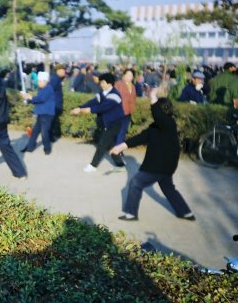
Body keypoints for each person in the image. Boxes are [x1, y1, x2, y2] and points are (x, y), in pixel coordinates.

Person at [110, 91, 195, 222]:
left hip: (157, 167)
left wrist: (153, 97)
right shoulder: (155, 127)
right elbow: (140, 138)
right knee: (168, 188)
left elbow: (158, 114)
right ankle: (185, 212)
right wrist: (121, 146)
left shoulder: (169, 124)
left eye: (156, 109)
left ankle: (131, 214)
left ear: (163, 110)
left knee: (135, 183)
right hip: (166, 167)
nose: (153, 112)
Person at [70, 72, 126, 173]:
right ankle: (120, 164)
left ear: (110, 83)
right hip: (107, 123)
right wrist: (80, 107)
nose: (101, 84)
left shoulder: (115, 95)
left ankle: (93, 165)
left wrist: (84, 110)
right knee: (110, 145)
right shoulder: (103, 93)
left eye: (103, 82)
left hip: (114, 123)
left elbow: (102, 108)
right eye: (101, 82)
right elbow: (93, 102)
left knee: (102, 144)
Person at [20, 71, 55, 155]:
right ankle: (30, 147)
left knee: (44, 132)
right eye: (38, 81)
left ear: (46, 81)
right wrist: (28, 100)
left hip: (47, 114)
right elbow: (37, 100)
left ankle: (47, 149)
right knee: (35, 132)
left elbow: (41, 99)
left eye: (40, 81)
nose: (38, 82)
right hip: (41, 113)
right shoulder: (42, 89)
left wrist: (29, 97)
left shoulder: (48, 88)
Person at [114, 68, 137, 147]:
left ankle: (118, 148)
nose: (129, 77)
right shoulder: (118, 84)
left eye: (131, 75)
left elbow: (134, 99)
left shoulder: (133, 86)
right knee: (119, 131)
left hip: (128, 112)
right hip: (119, 111)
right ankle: (117, 148)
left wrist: (133, 109)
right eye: (128, 75)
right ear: (123, 76)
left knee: (123, 131)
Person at [50, 63, 66, 141]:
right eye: (63, 71)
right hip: (54, 104)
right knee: (52, 122)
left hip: (56, 104)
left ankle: (51, 136)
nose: (64, 72)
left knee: (54, 121)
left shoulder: (58, 79)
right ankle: (50, 137)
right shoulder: (54, 80)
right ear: (58, 71)